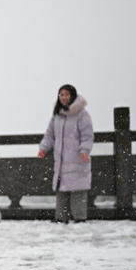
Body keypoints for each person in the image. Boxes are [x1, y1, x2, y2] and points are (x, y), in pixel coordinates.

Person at [38, 84, 94, 223]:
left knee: (78, 191)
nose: (64, 97)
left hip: (77, 159)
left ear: (72, 95)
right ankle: (61, 219)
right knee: (61, 190)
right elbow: (50, 135)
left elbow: (87, 135)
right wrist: (43, 148)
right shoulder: (58, 115)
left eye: (67, 94)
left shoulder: (82, 114)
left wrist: (84, 150)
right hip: (61, 162)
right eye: (61, 95)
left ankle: (79, 220)